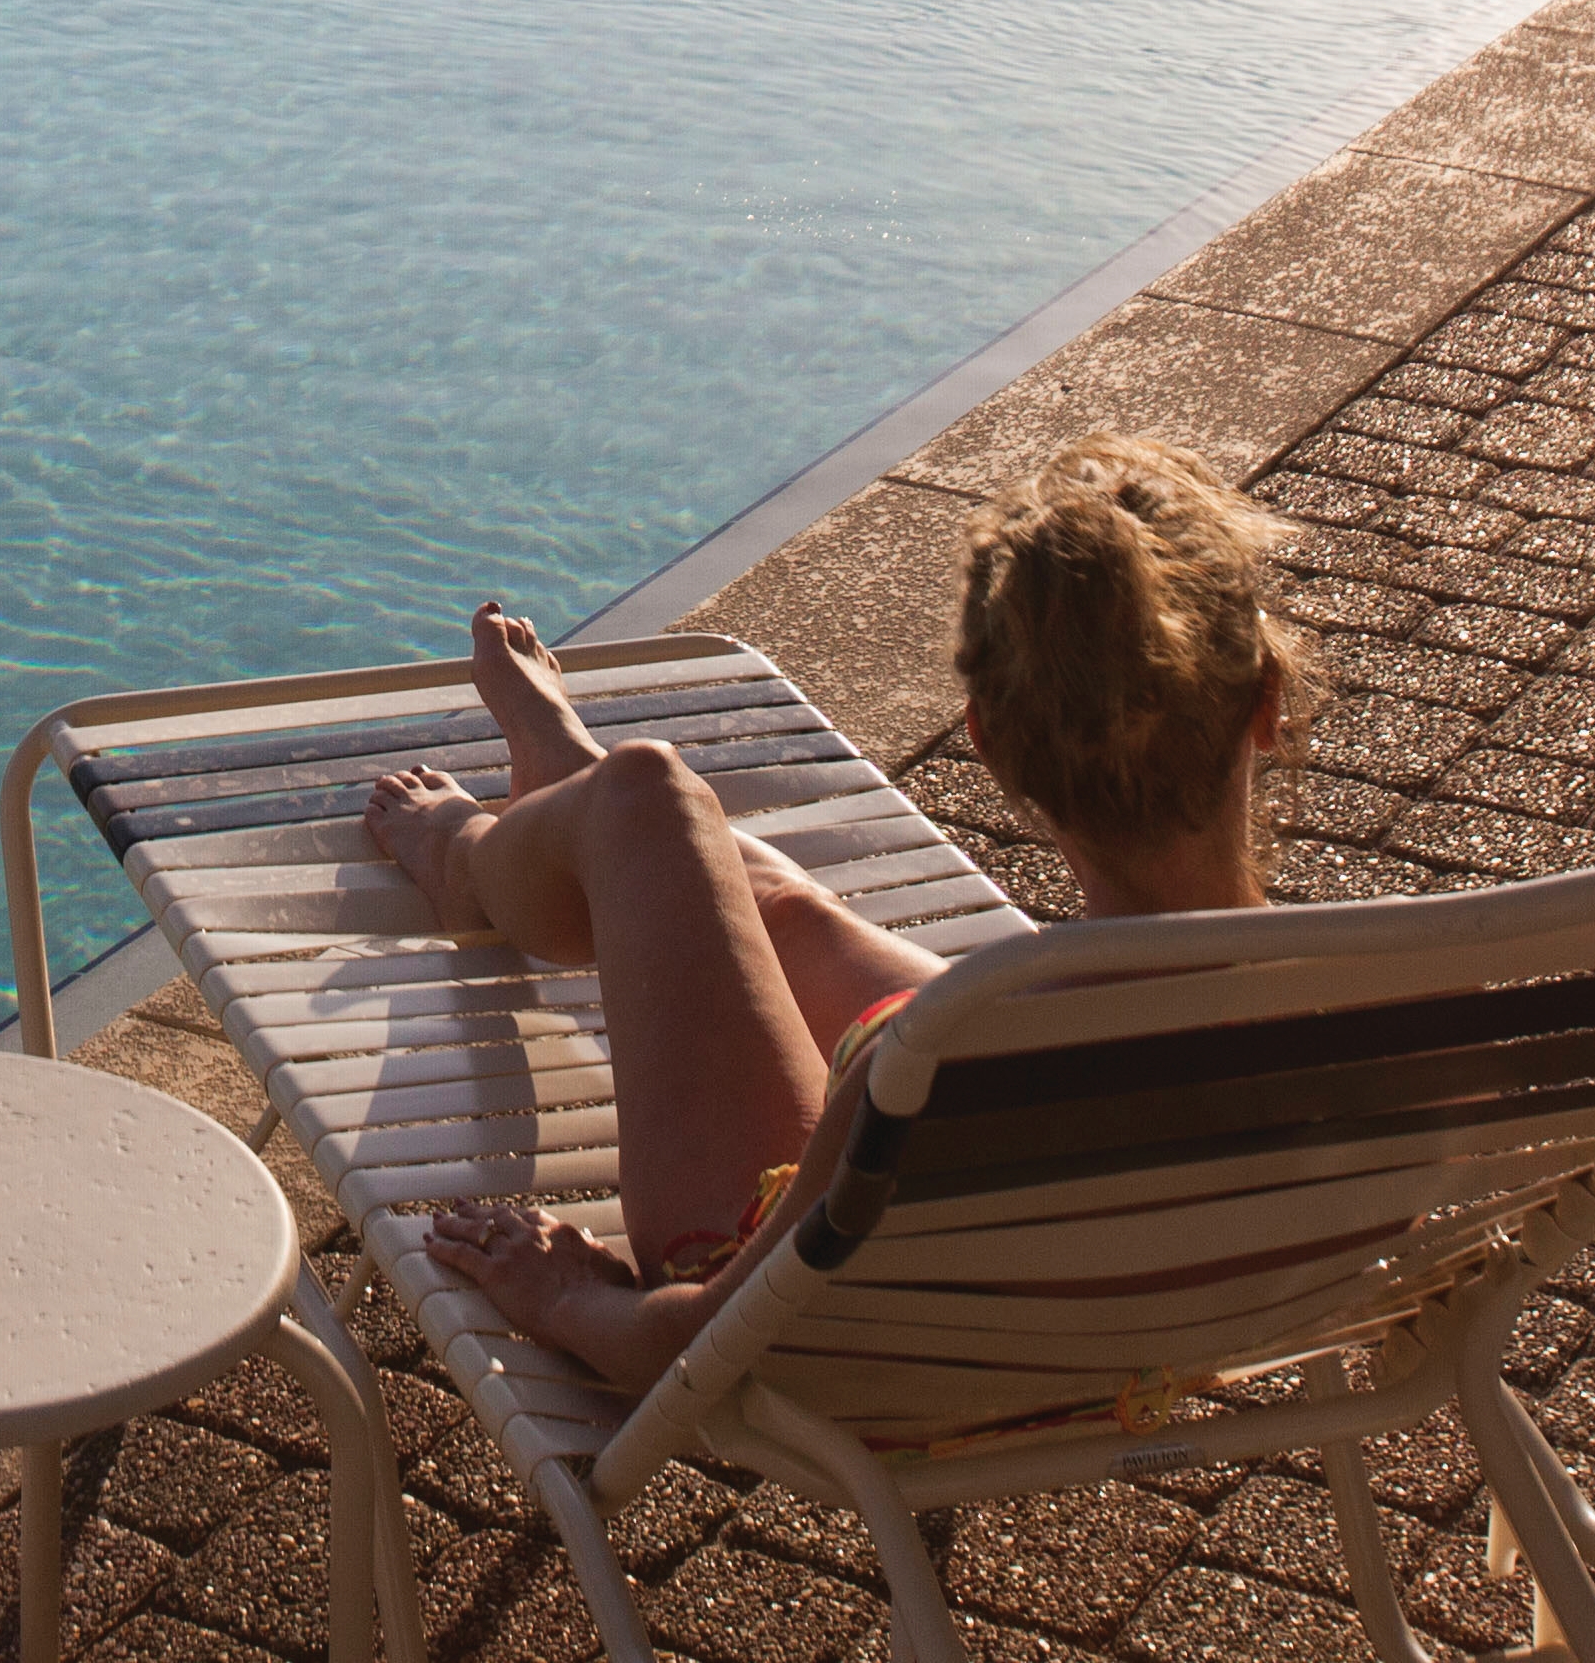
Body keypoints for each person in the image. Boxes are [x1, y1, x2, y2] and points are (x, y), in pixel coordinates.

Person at [359, 433, 1327, 1394]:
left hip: (869, 1360)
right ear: (1269, 704)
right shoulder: (1396, 1004)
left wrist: (566, 1294)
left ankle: (478, 852)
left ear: (986, 743)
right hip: (1152, 1321)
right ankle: (570, 788)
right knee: (766, 907)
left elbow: (694, 1343)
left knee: (646, 794)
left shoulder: (936, 1061)